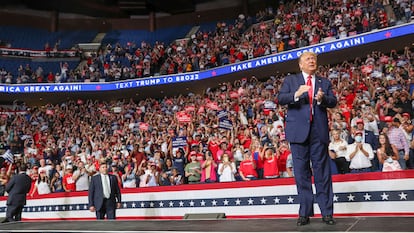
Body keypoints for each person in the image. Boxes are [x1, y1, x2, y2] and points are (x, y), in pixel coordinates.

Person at [277, 51, 337, 226]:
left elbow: (333, 101)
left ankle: (327, 212)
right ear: (300, 64)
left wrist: (323, 98)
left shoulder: (324, 82)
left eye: (314, 59)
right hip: (298, 133)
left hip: (318, 133)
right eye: (308, 59)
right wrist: (296, 94)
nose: (312, 61)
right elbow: (281, 98)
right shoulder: (291, 81)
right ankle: (304, 212)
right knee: (301, 175)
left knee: (323, 173)